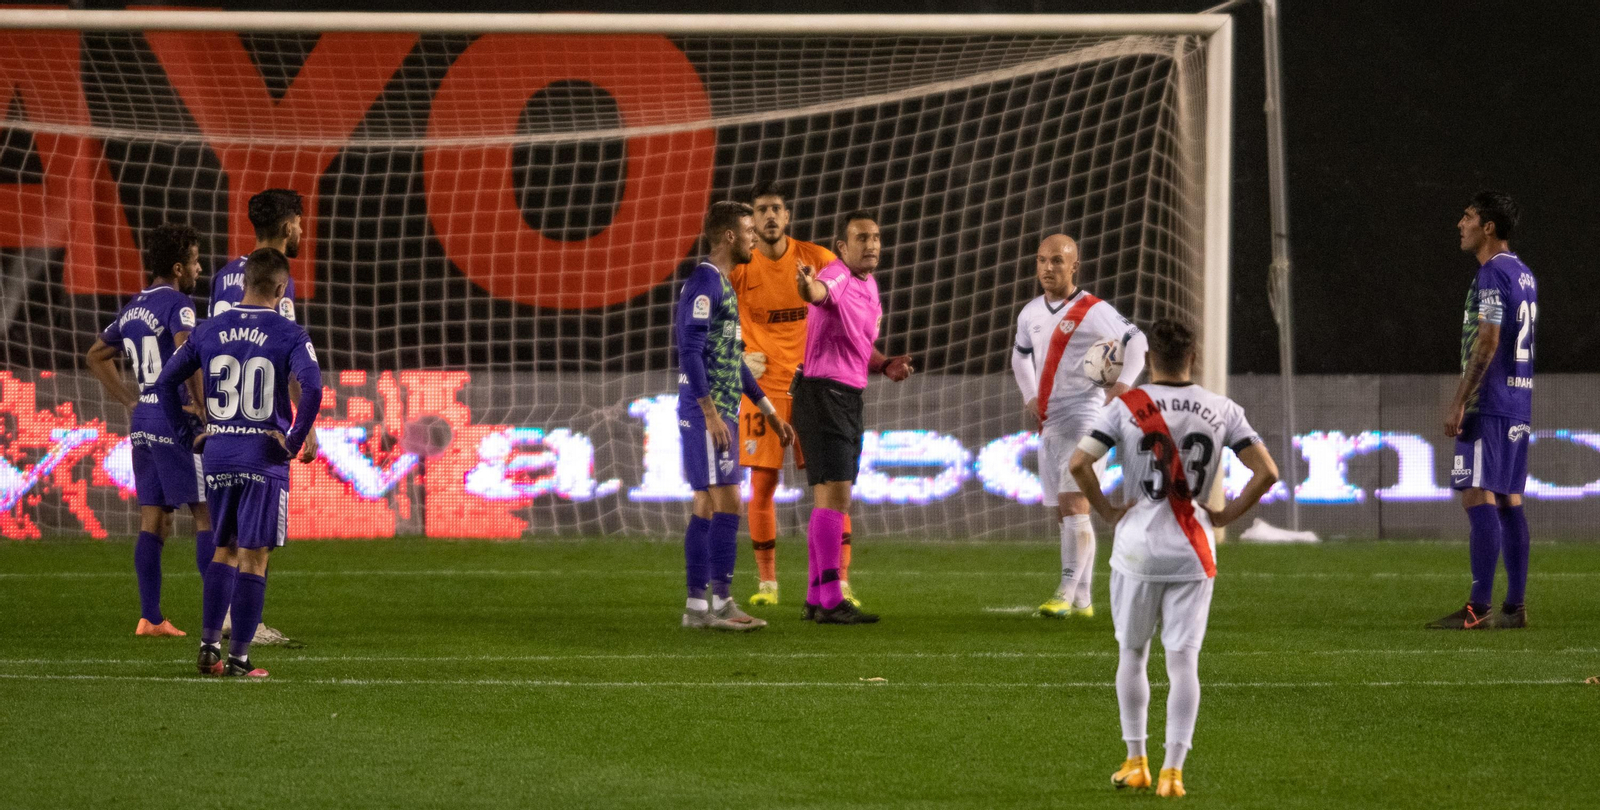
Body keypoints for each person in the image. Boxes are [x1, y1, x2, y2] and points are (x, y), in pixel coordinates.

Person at [1069, 318, 1278, 798]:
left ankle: (1135, 760)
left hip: (1138, 549)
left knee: (1133, 654)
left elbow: (1079, 464)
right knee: (1184, 662)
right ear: (1194, 357)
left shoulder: (1126, 405)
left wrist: (1107, 512)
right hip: (1193, 551)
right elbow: (1267, 471)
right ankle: (1173, 773)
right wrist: (1225, 517)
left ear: (1149, 360)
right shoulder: (1222, 408)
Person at [155, 248, 322, 677]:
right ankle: (240, 659)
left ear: (243, 283)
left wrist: (189, 435)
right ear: (281, 289)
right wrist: (294, 440)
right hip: (263, 458)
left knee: (223, 551)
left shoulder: (209, 329)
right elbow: (313, 387)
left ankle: (209, 647)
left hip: (220, 454)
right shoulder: (291, 333)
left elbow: (166, 379)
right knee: (254, 558)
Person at [731, 181, 869, 607]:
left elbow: (843, 296)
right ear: (750, 219)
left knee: (831, 487)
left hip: (812, 385)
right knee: (763, 484)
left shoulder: (817, 258)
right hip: (762, 388)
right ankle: (768, 585)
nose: (769, 216)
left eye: (776, 209)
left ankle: (839, 582)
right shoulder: (741, 267)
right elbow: (720, 320)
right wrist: (739, 350)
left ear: (787, 216)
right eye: (761, 210)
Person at [84, 223, 212, 637]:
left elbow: (96, 354)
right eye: (194, 259)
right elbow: (186, 353)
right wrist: (204, 409)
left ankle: (151, 617)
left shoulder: (134, 305)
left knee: (153, 519)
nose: (199, 266)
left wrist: (129, 399)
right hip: (175, 419)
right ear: (178, 267)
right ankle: (222, 615)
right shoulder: (179, 303)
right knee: (206, 513)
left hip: (143, 422)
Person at [1011, 234, 1147, 618]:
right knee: (1065, 512)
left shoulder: (1093, 309)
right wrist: (1029, 396)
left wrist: (1121, 387)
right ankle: (1084, 599)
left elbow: (1137, 342)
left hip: (1087, 418)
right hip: (1051, 424)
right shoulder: (1030, 312)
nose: (1047, 269)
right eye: (1041, 261)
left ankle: (1064, 592)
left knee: (1074, 504)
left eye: (1057, 261)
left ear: (1074, 266)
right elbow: (1019, 357)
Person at [676, 201, 796, 631]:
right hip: (706, 411)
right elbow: (689, 349)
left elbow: (733, 361)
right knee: (729, 501)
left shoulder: (724, 285)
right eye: (748, 230)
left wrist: (769, 412)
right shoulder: (705, 283)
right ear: (730, 236)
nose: (754, 237)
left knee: (708, 504)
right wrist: (709, 412)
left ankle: (696, 608)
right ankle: (722, 601)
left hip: (721, 409)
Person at [793, 209, 912, 624]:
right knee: (836, 498)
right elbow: (818, 292)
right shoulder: (839, 275)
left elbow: (858, 343)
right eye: (861, 238)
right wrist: (807, 285)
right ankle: (829, 599)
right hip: (824, 394)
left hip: (839, 394)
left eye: (876, 237)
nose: (872, 244)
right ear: (843, 247)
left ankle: (816, 595)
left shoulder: (870, 284)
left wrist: (883, 364)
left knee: (829, 497)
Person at [208, 188, 315, 646]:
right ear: (288, 224)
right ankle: (247, 629)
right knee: (256, 538)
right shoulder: (277, 282)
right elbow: (285, 357)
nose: (302, 231)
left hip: (221, 422)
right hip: (261, 429)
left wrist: (206, 413)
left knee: (222, 535)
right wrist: (300, 429)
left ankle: (220, 626)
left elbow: (203, 346)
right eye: (300, 222)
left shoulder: (223, 277)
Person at [1429, 191, 1537, 630]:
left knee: (1477, 493)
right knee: (1508, 498)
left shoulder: (1492, 273)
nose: (1461, 223)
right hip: (1519, 400)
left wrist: (1459, 399)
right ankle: (1514, 606)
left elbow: (1489, 339)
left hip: (1489, 403)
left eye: (1468, 216)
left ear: (1488, 227)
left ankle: (1479, 606)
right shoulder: (1525, 273)